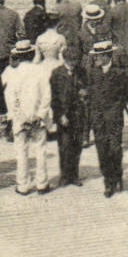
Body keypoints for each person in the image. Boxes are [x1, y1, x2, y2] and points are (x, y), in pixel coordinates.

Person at [3, 39, 53, 194]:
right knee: (40, 150)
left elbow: (10, 98)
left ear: (17, 56)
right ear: (32, 54)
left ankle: (22, 184)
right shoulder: (41, 71)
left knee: (21, 152)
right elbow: (47, 95)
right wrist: (40, 115)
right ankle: (42, 184)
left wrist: (18, 117)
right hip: (39, 118)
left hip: (20, 119)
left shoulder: (13, 73)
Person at [82, 40, 128, 197]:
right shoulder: (92, 73)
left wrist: (115, 110)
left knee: (115, 149)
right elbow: (88, 94)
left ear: (106, 56)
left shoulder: (119, 73)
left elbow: (125, 96)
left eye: (98, 56)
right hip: (97, 119)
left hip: (114, 118)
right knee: (102, 150)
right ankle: (108, 181)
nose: (95, 59)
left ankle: (117, 176)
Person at [45, 32, 86, 188]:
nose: (73, 64)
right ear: (65, 60)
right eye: (71, 61)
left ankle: (74, 175)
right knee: (64, 146)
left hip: (78, 114)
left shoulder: (81, 72)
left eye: (75, 60)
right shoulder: (57, 74)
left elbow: (87, 88)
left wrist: (85, 93)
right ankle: (64, 176)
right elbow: (53, 97)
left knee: (77, 146)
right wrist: (60, 115)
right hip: (63, 115)